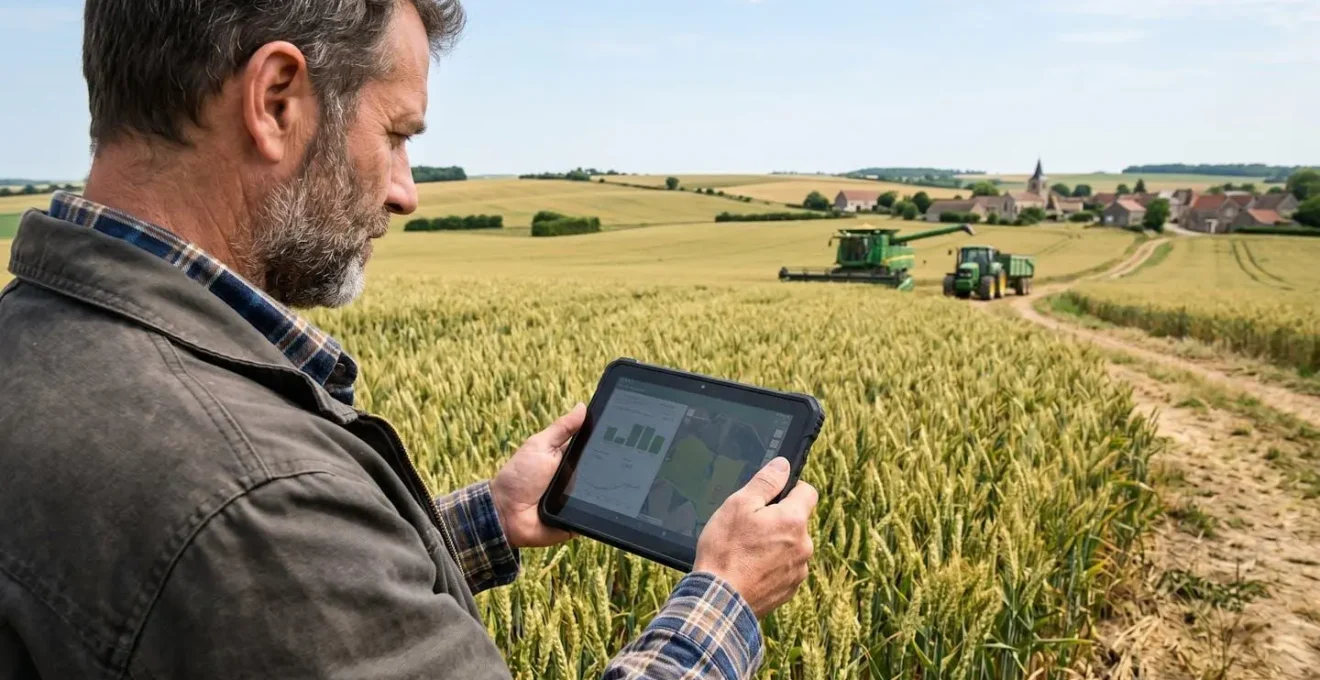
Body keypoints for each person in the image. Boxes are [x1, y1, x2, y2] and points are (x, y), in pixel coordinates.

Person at [0, 1, 819, 678]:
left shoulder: (35, 337)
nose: (406, 192)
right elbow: (268, 553)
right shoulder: (255, 496)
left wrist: (487, 521)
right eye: (397, 135)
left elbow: (263, 614)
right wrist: (725, 599)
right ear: (276, 100)